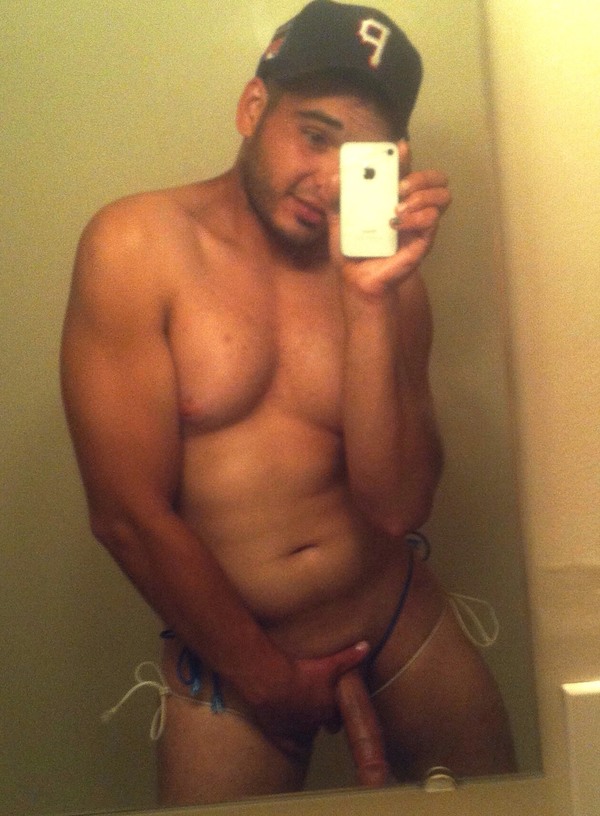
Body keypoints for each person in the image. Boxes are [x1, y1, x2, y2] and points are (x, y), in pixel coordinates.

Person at [60, 0, 516, 806]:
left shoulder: (391, 286)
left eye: (361, 155)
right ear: (252, 108)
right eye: (314, 135)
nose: (329, 179)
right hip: (235, 653)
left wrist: (369, 304)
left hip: (399, 614)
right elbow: (128, 515)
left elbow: (398, 506)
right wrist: (268, 679)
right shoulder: (135, 247)